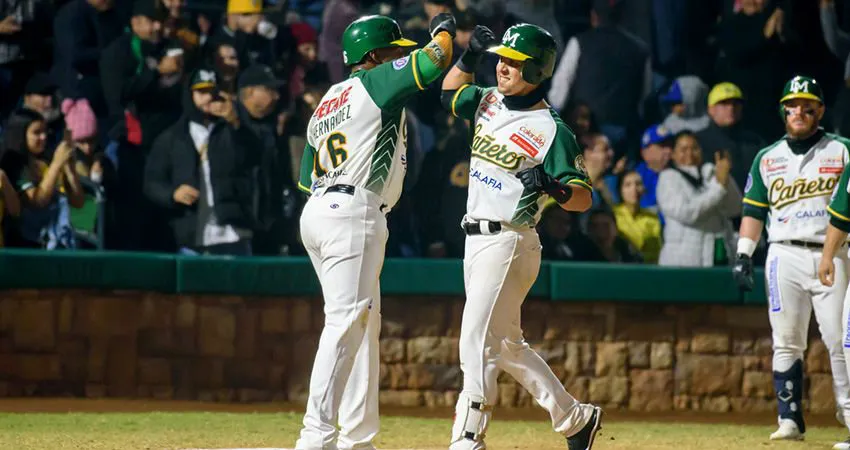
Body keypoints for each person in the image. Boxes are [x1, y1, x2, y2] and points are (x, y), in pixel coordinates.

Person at [294, 14, 457, 450]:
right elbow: (434, 59)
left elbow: (305, 177)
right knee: (346, 324)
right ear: (371, 55)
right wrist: (443, 27)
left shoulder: (328, 98)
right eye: (394, 48)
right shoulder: (375, 82)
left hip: (320, 208)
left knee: (363, 326)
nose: (400, 53)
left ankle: (358, 439)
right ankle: (316, 436)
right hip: (353, 211)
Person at [440, 22, 601, 450]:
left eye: (514, 62)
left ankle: (468, 435)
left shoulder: (552, 129)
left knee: (474, 337)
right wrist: (470, 56)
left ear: (538, 70)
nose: (503, 67)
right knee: (506, 344)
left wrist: (552, 186)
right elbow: (449, 93)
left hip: (509, 239)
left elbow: (584, 199)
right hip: (476, 238)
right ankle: (574, 417)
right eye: (501, 59)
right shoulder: (489, 100)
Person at [734, 76, 850, 449]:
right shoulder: (768, 157)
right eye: (792, 105)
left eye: (807, 105)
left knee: (838, 339)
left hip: (832, 251)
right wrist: (744, 254)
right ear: (783, 109)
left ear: (820, 109)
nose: (799, 111)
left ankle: (848, 416)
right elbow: (753, 210)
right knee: (786, 340)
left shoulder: (842, 150)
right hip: (783, 252)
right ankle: (789, 419)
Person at [143, 69, 258, 256]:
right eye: (201, 92)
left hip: (233, 231)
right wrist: (172, 194)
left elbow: (254, 158)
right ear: (190, 95)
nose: (208, 98)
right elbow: (152, 182)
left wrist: (236, 122)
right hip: (192, 232)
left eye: (212, 92)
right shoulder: (172, 137)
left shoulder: (231, 129)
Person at [657, 131, 741, 267]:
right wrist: (719, 189)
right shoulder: (667, 178)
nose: (689, 154)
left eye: (694, 148)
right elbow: (687, 213)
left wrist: (726, 179)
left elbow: (735, 208)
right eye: (683, 150)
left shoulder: (709, 173)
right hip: (680, 263)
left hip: (714, 259)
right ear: (673, 154)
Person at [612, 170, 661, 263]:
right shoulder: (613, 215)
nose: (634, 189)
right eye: (628, 185)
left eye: (638, 184)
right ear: (620, 190)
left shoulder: (652, 217)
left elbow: (655, 253)